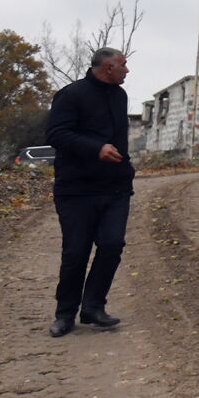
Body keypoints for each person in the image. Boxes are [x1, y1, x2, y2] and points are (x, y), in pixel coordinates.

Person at [44, 47, 135, 337]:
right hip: (76, 189)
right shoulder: (71, 95)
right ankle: (65, 313)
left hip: (115, 188)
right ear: (107, 67)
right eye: (123, 64)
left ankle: (93, 306)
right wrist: (95, 149)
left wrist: (127, 172)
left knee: (112, 244)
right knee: (76, 252)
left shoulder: (120, 97)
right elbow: (56, 135)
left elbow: (119, 140)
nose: (127, 70)